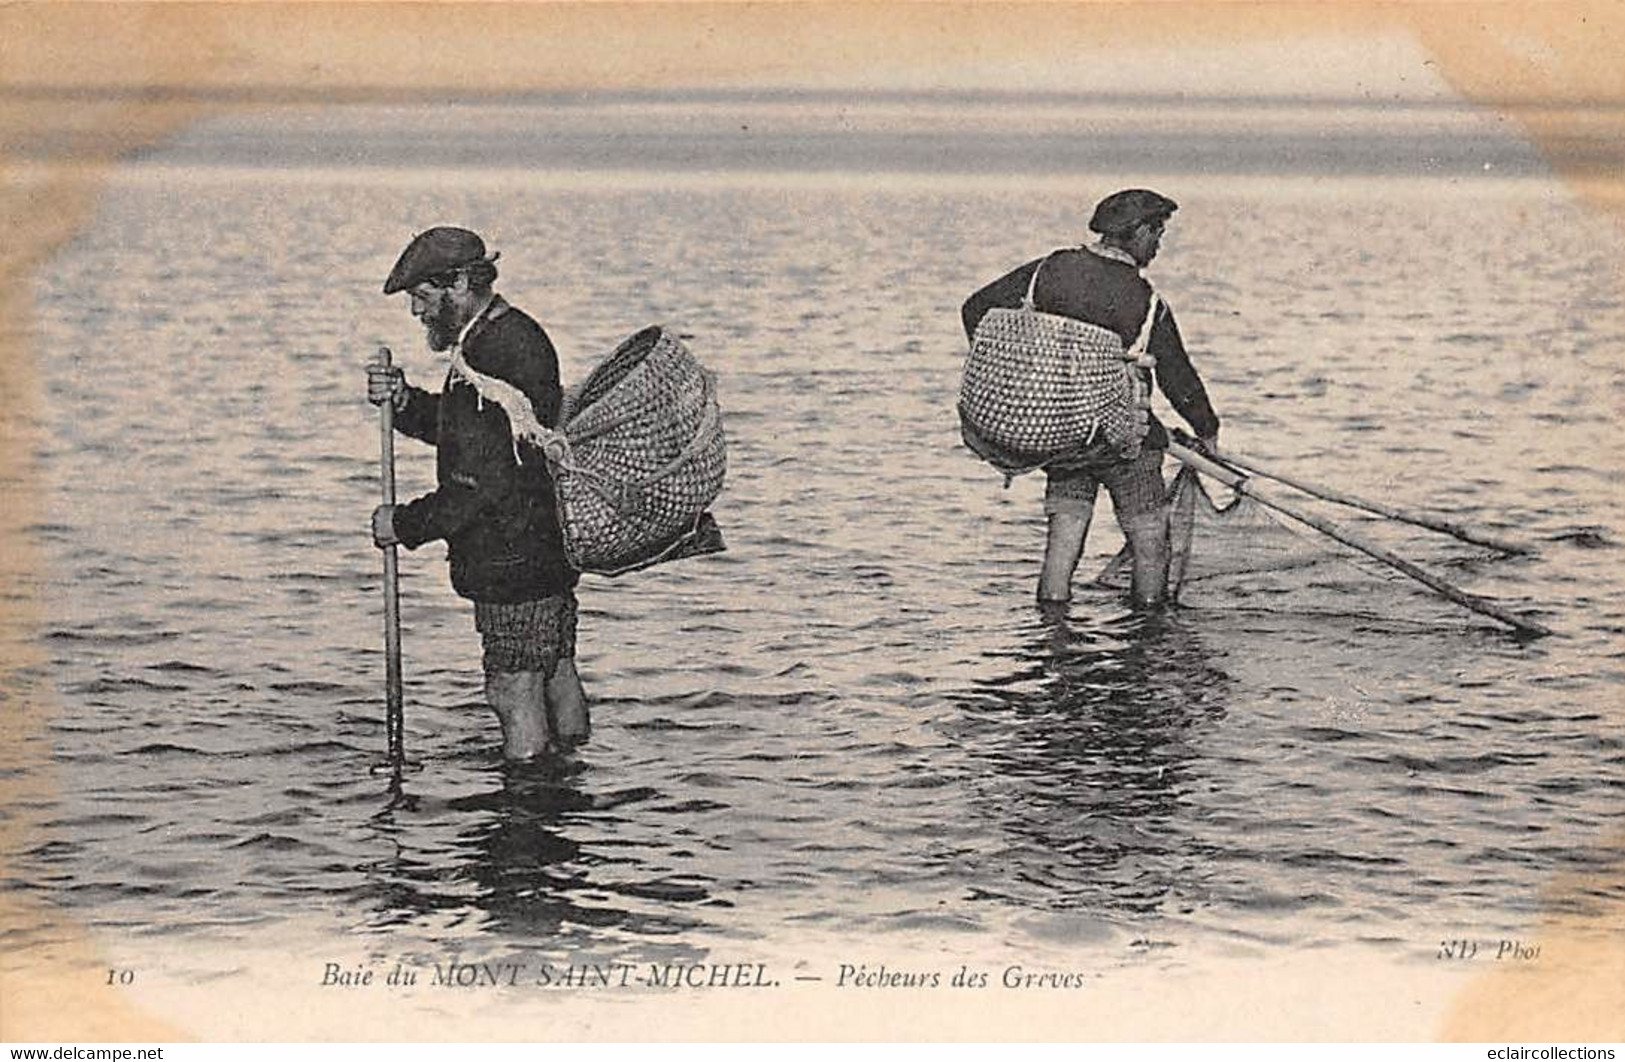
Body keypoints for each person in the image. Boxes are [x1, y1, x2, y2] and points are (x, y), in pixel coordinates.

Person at [366, 226, 588, 759]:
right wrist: (407, 403)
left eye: (423, 298)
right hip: (544, 553)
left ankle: (527, 824)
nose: (418, 313)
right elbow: (478, 437)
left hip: (511, 562)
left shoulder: (494, 353)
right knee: (554, 671)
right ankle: (572, 797)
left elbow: (478, 487)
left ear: (461, 283)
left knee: (512, 690)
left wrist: (403, 524)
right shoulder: (508, 335)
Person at [961, 189, 1221, 607]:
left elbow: (975, 309)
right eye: (1156, 233)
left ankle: (1052, 631)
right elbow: (1177, 376)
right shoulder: (1145, 300)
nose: (1158, 244)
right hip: (1124, 445)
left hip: (1060, 436)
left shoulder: (1047, 270)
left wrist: (1021, 369)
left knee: (1064, 539)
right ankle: (1147, 632)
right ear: (1136, 232)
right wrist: (1207, 430)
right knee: (1150, 539)